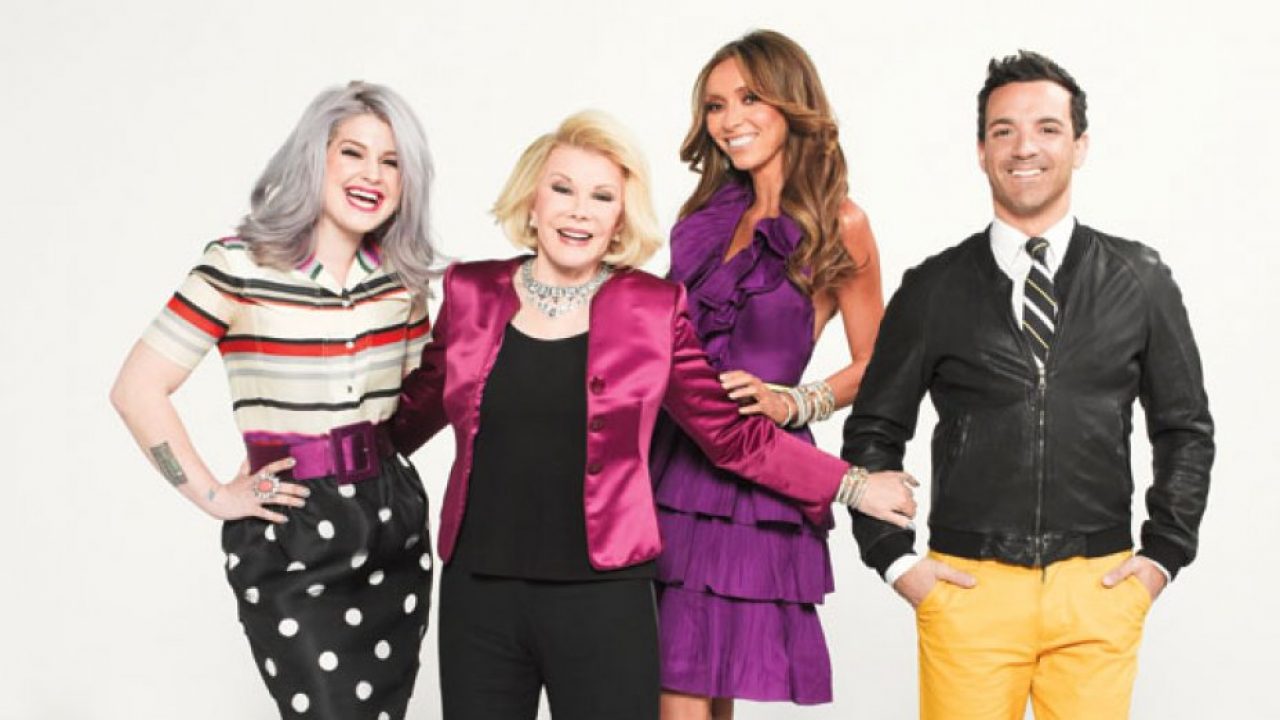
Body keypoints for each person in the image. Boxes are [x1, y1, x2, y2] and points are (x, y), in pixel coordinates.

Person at [389, 110, 916, 720]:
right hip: (479, 596)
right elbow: (402, 422)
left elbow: (731, 436)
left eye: (601, 197)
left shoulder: (651, 309)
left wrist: (853, 484)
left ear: (620, 219)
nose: (579, 211)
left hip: (603, 601)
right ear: (532, 200)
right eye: (562, 189)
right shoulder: (469, 293)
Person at [842, 50, 1215, 719]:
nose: (1024, 148)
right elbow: (873, 431)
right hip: (968, 591)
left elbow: (1185, 428)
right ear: (981, 151)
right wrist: (895, 560)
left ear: (1079, 145)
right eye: (1004, 130)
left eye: (1047, 128)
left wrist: (1162, 556)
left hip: (1099, 589)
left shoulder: (1140, 280)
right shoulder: (932, 289)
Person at [110, 81, 439, 719]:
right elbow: (136, 389)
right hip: (291, 529)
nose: (372, 175)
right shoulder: (238, 265)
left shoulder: (403, 281)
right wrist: (214, 496)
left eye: (392, 162)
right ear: (315, 156)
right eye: (353, 152)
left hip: (391, 520)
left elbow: (412, 410)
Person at [651, 29, 887, 717]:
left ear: (792, 102)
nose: (730, 120)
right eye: (716, 105)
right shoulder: (702, 219)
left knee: (693, 682)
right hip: (666, 467)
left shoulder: (841, 224)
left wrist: (796, 403)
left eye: (749, 98)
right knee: (681, 679)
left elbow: (877, 363)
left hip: (754, 482)